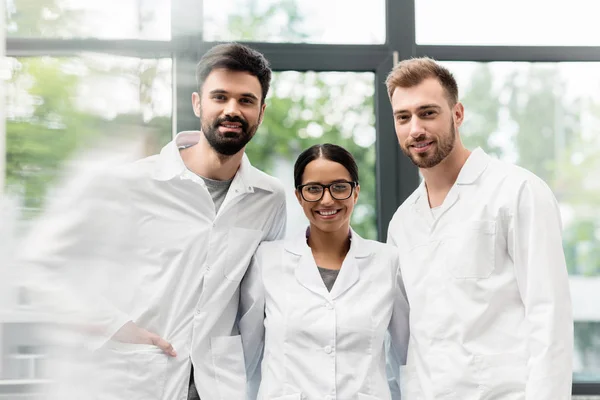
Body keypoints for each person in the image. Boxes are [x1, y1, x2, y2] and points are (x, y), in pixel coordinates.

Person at [18, 43, 286, 400]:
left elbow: (261, 302)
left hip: (220, 384)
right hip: (140, 379)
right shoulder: (131, 184)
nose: (231, 110)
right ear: (197, 103)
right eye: (219, 97)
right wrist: (114, 326)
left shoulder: (269, 198)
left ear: (261, 111)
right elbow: (41, 266)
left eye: (246, 100)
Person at [384, 57, 573, 399]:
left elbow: (550, 318)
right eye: (403, 117)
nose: (415, 129)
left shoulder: (517, 192)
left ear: (457, 114)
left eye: (428, 112)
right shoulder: (402, 222)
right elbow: (402, 337)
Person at [239, 143, 409, 400]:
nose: (327, 199)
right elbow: (246, 357)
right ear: (298, 196)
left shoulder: (388, 261)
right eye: (313, 189)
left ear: (356, 192)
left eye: (339, 187)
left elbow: (404, 355)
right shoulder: (267, 260)